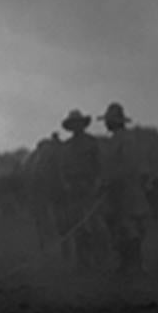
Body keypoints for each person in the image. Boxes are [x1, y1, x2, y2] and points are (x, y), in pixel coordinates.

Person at [97, 102, 149, 273]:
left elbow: (127, 165)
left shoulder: (124, 140)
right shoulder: (119, 140)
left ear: (114, 122)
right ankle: (126, 264)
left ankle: (134, 264)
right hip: (119, 190)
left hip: (125, 190)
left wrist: (110, 181)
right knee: (120, 227)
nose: (106, 124)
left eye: (108, 120)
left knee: (128, 226)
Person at [58, 109, 106, 269]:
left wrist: (97, 183)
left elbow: (100, 165)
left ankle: (99, 258)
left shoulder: (92, 143)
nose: (76, 127)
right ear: (70, 127)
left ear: (83, 125)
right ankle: (82, 260)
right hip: (72, 188)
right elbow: (62, 169)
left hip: (90, 186)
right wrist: (66, 184)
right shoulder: (66, 147)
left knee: (95, 224)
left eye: (78, 124)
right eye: (73, 125)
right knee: (76, 225)